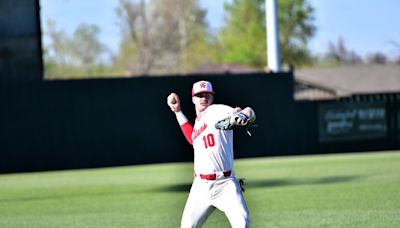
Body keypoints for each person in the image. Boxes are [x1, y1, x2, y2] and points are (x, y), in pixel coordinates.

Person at [167, 80, 256, 228]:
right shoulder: (198, 123)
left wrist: (246, 115)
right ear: (193, 99)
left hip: (225, 184)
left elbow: (248, 111)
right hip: (200, 187)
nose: (203, 98)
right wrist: (177, 112)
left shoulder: (217, 111)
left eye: (207, 95)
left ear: (212, 97)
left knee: (242, 224)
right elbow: (192, 138)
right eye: (199, 95)